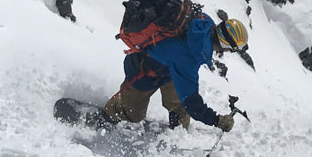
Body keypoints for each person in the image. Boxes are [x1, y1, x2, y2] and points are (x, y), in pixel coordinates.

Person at [103, 10, 248, 132]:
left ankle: (177, 132)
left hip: (169, 70)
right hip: (143, 70)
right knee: (132, 114)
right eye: (233, 48)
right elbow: (192, 102)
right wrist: (217, 120)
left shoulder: (204, 22)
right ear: (226, 45)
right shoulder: (190, 57)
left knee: (180, 106)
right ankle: (108, 115)